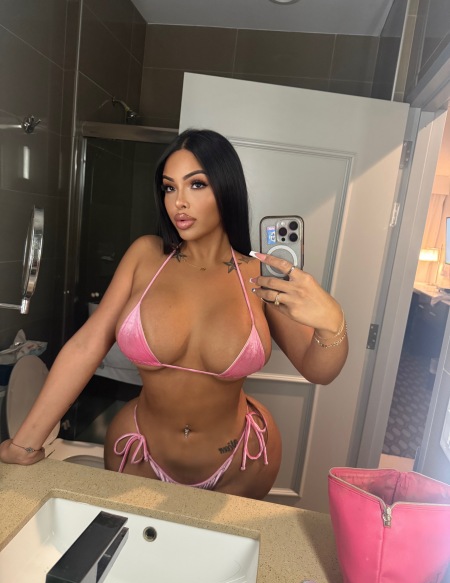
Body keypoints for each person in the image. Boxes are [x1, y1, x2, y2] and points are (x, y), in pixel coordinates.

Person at [0, 129, 348, 499]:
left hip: (240, 464)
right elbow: (87, 346)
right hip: (136, 453)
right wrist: (25, 443)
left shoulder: (257, 275)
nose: (178, 202)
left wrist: (332, 323)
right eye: (169, 187)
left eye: (196, 184)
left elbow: (319, 370)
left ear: (226, 187)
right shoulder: (145, 256)